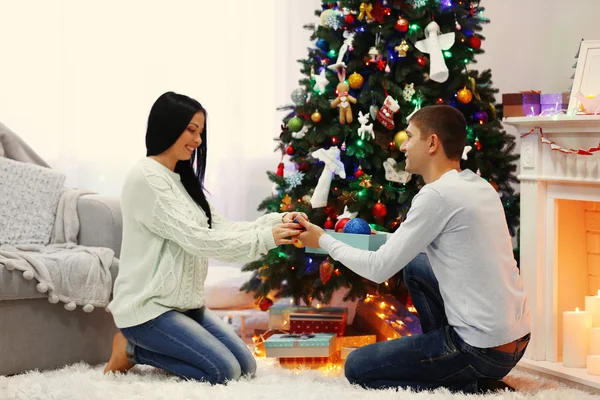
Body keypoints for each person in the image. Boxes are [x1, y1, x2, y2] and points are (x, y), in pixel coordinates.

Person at [296, 105, 530, 393]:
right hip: (515, 341)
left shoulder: (437, 195)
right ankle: (444, 362)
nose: (403, 145)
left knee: (357, 366)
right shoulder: (476, 185)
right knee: (416, 266)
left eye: (410, 136)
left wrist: (322, 241)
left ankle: (460, 379)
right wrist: (367, 234)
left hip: (480, 350)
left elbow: (379, 268)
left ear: (432, 143)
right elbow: (405, 244)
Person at [104, 91, 304, 384]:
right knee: (223, 371)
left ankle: (144, 347)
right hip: (149, 311)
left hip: (186, 306)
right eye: (191, 130)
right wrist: (267, 239)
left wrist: (277, 223)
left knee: (246, 366)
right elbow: (198, 239)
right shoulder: (146, 178)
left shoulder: (182, 180)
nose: (198, 140)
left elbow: (218, 228)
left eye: (200, 132)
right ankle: (131, 349)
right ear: (168, 125)